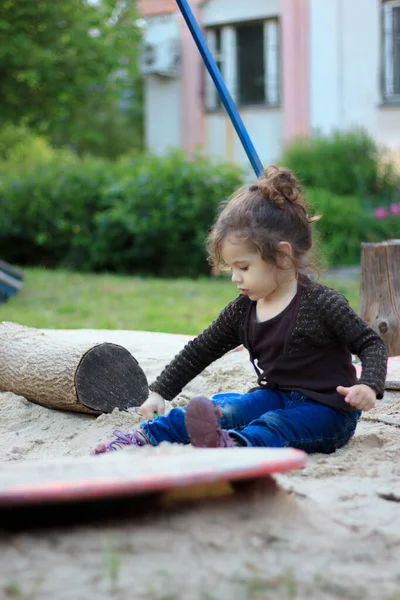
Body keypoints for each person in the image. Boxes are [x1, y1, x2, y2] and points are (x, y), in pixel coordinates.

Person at [93, 166, 387, 455]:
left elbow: (370, 342)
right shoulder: (243, 310)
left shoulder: (322, 303)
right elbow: (201, 349)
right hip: (273, 396)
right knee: (225, 407)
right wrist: (160, 391)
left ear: (283, 256)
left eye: (243, 267)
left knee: (275, 425)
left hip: (328, 411)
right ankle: (147, 435)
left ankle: (233, 447)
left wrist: (369, 385)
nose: (236, 277)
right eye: (231, 268)